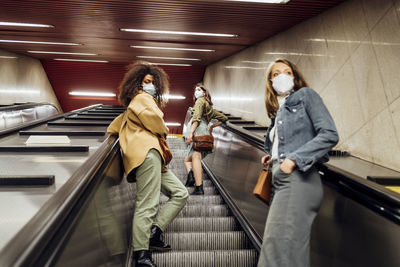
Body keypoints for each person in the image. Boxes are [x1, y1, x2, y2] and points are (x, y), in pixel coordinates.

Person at [257, 58, 339, 267]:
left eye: (287, 72)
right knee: (289, 254)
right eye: (275, 74)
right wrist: (271, 155)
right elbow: (287, 142)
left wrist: (294, 158)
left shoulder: (306, 96)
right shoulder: (278, 111)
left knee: (276, 253)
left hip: (297, 180)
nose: (282, 76)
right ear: (270, 81)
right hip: (282, 180)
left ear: (295, 77)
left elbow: (329, 134)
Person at [107, 61, 189, 267]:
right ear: (137, 84)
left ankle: (155, 232)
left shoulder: (130, 108)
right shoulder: (143, 98)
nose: (150, 85)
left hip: (152, 157)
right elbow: (156, 121)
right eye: (146, 81)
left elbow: (113, 128)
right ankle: (141, 255)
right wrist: (165, 131)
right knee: (148, 204)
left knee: (180, 193)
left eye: (152, 82)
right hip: (148, 154)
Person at [184, 83, 228, 194]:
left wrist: (190, 133)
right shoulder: (208, 106)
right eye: (195, 90)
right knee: (188, 159)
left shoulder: (199, 102)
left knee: (195, 157)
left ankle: (199, 187)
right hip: (203, 131)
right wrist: (212, 126)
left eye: (199, 89)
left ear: (204, 92)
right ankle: (191, 176)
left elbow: (197, 119)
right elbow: (224, 118)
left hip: (197, 131)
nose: (196, 91)